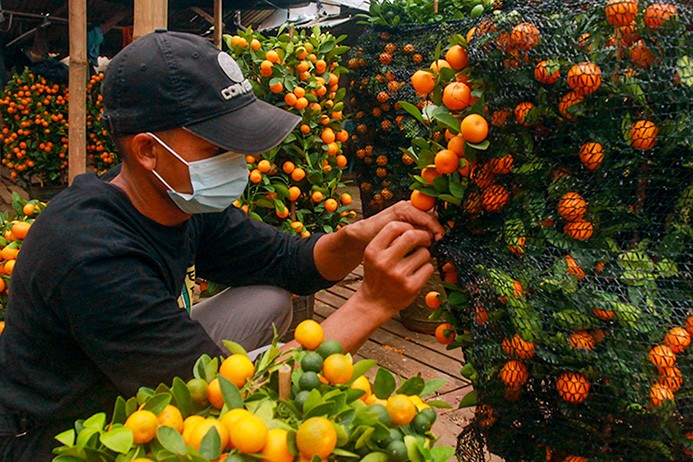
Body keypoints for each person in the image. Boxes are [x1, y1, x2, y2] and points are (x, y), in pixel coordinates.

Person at [0, 30, 443, 460]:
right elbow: (221, 400)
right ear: (147, 151)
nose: (239, 160)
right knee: (230, 417)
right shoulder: (92, 256)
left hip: (127, 366)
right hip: (57, 435)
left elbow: (288, 263)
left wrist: (354, 235)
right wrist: (370, 303)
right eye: (218, 147)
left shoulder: (176, 201)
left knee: (268, 298)